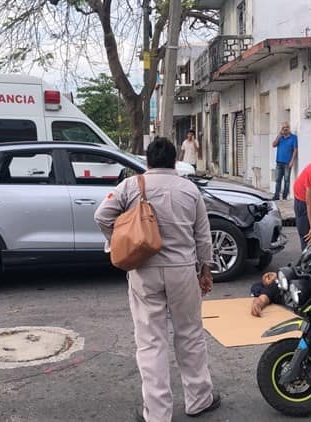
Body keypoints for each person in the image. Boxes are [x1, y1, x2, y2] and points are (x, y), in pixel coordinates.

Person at [95, 137, 220, 422]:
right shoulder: (190, 190)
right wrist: (206, 270)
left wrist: (116, 241)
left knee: (151, 342)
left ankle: (157, 414)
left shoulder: (130, 186)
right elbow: (203, 236)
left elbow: (101, 216)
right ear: (175, 161)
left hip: (143, 270)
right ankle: (199, 400)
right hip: (183, 270)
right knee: (190, 335)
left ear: (147, 161)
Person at [272, 122, 298, 201]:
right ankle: (276, 196)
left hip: (287, 162)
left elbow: (295, 150)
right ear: (281, 129)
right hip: (279, 162)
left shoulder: (293, 137)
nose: (285, 129)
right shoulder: (280, 137)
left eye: (287, 127)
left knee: (287, 180)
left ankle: (284, 196)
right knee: (278, 180)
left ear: (289, 128)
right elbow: (273, 145)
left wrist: (292, 161)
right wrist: (279, 135)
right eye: (283, 128)